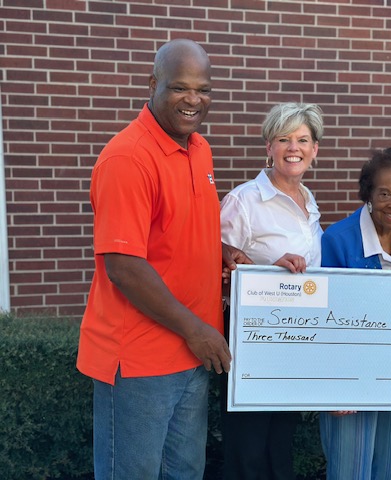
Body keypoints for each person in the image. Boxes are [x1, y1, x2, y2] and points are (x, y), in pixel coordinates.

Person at [76, 39, 250, 479]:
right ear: (153, 85)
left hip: (192, 353)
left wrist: (220, 251)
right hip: (140, 359)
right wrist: (197, 330)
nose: (194, 99)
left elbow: (176, 227)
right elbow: (124, 267)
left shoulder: (199, 148)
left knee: (185, 473)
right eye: (179, 87)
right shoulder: (128, 158)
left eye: (203, 89)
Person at [219, 102, 324, 479]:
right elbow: (217, 268)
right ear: (269, 147)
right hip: (251, 338)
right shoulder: (243, 201)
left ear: (314, 149)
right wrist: (268, 271)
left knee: (281, 440)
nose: (293, 148)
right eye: (283, 139)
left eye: (302, 140)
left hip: (296, 338)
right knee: (248, 445)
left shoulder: (309, 201)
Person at [320, 147, 391, 480]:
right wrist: (333, 387)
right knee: (350, 471)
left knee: (390, 469)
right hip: (349, 380)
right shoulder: (337, 239)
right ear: (369, 193)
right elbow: (323, 323)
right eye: (384, 193)